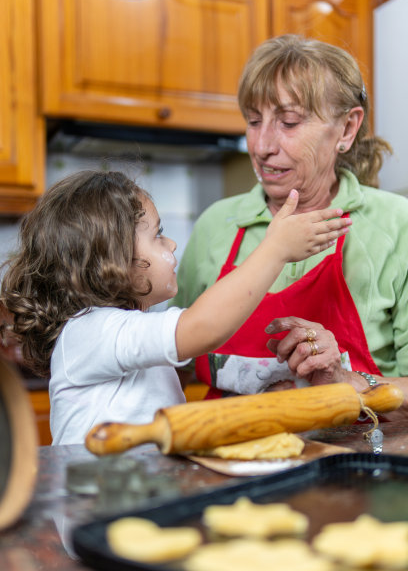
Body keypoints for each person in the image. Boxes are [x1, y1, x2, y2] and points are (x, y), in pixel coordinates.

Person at [0, 170, 348, 445]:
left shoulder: (123, 329)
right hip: (97, 517)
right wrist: (276, 250)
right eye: (157, 235)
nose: (172, 243)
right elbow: (203, 328)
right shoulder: (88, 332)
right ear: (112, 261)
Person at [170, 34, 408, 404]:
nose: (262, 146)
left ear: (346, 128)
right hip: (225, 458)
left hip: (356, 456)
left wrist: (350, 380)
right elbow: (172, 363)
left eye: (290, 122)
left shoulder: (397, 226)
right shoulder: (215, 225)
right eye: (253, 120)